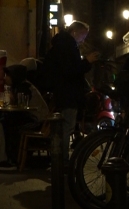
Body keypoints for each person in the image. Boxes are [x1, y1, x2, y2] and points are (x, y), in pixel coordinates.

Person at [44, 21, 100, 162]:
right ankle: (62, 160)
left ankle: (60, 159)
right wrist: (87, 61)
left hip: (64, 92)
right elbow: (70, 70)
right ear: (74, 32)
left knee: (65, 127)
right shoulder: (67, 46)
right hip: (68, 93)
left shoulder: (63, 44)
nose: (84, 39)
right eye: (83, 34)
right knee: (66, 127)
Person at [1, 64, 50, 162]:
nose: (4, 78)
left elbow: (19, 107)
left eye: (7, 75)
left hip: (38, 122)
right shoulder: (21, 85)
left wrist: (9, 92)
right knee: (6, 121)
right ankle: (10, 156)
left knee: (8, 124)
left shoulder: (24, 88)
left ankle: (13, 157)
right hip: (34, 118)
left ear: (14, 76)